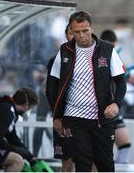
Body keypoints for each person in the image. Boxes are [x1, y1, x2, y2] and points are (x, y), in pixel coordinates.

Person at [46, 10, 126, 172]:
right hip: (74, 118)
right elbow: (52, 86)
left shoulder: (108, 49)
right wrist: (56, 116)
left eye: (85, 31)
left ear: (92, 28)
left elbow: (120, 82)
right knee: (82, 163)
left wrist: (116, 104)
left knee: (105, 163)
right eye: (77, 32)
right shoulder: (64, 51)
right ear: (71, 31)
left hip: (102, 118)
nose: (81, 35)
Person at [100, 29, 131, 164]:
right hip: (100, 108)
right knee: (101, 149)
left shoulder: (115, 56)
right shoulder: (98, 56)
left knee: (124, 145)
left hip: (113, 106)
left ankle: (119, 166)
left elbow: (121, 82)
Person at [0, 87, 38, 172]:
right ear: (26, 104)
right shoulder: (7, 112)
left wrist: (29, 155)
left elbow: (12, 137)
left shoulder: (8, 108)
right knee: (17, 160)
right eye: (30, 108)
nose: (27, 110)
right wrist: (17, 151)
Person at [52, 23, 74, 172]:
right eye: (73, 33)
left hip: (87, 118)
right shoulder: (58, 58)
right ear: (66, 35)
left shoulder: (95, 55)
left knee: (90, 158)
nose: (78, 36)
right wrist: (57, 117)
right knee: (67, 160)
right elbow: (51, 90)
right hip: (65, 116)